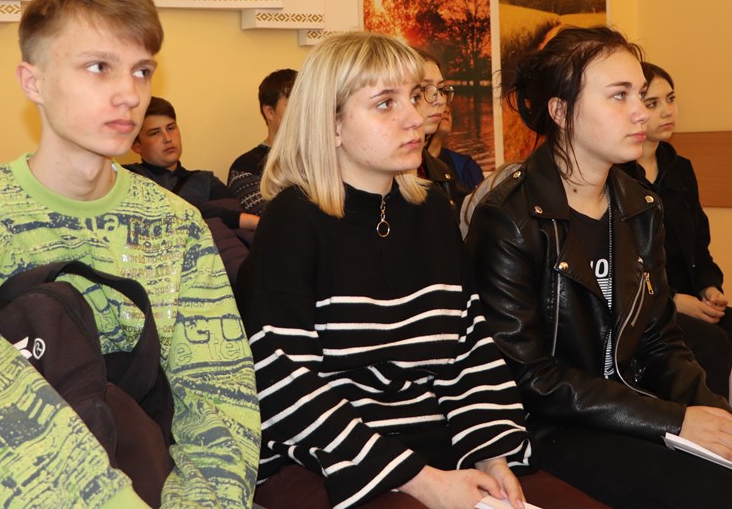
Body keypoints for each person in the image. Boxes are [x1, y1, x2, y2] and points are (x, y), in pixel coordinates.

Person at [0, 0, 260, 508]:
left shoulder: (176, 225)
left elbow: (219, 399)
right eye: (98, 66)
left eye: (142, 70)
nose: (130, 94)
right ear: (33, 81)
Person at [465, 26, 732, 508]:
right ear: (560, 111)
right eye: (619, 96)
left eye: (639, 95)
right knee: (725, 499)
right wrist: (675, 421)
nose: (641, 111)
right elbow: (530, 377)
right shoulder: (509, 218)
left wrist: (711, 415)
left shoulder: (640, 205)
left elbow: (661, 338)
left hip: (638, 404)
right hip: (553, 424)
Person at [236, 32, 607, 509]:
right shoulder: (293, 219)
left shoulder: (431, 208)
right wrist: (419, 479)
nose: (414, 117)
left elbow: (469, 348)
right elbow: (283, 380)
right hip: (329, 459)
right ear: (331, 125)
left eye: (414, 97)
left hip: (439, 445)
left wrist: (493, 454)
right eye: (385, 103)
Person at [621, 62, 732, 433]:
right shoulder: (615, 176)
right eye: (653, 103)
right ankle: (712, 446)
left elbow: (699, 247)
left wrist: (710, 287)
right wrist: (673, 301)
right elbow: (622, 266)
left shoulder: (680, 169)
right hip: (647, 309)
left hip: (693, 301)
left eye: (671, 99)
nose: (667, 111)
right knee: (712, 344)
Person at [124, 96, 258, 233]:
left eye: (170, 128)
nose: (167, 138)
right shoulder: (127, 177)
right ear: (136, 145)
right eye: (155, 133)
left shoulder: (206, 180)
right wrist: (231, 217)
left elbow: (237, 217)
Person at [227, 68, 296, 215]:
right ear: (269, 112)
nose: (303, 112)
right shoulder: (245, 167)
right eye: (294, 104)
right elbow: (274, 218)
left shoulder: (322, 159)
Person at [418, 56, 469, 209]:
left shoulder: (442, 171)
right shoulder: (384, 172)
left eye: (441, 90)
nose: (441, 101)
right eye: (424, 88)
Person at [428, 105, 485, 193]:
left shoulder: (466, 166)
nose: (447, 110)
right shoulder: (409, 166)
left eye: (449, 108)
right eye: (437, 105)